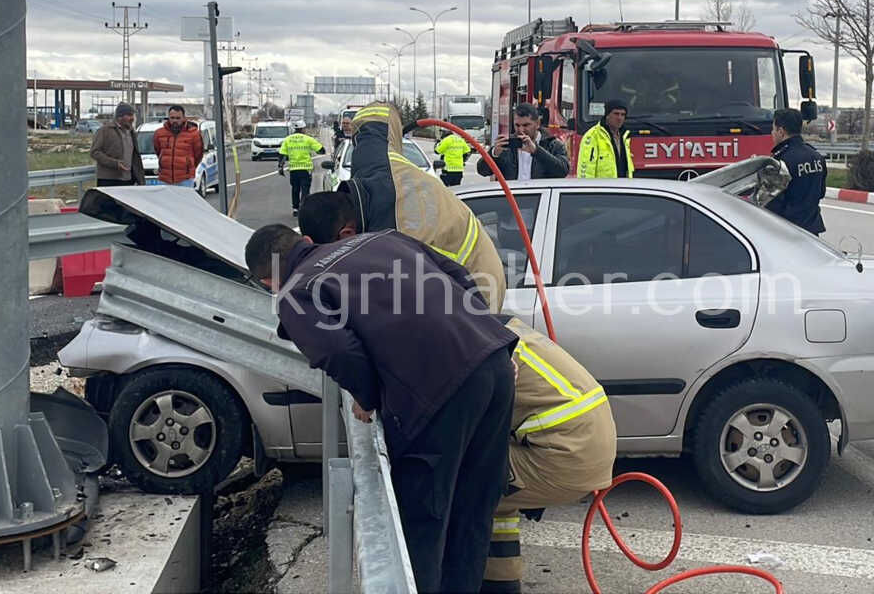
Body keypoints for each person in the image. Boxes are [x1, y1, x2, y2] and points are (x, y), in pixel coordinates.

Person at [246, 224, 516, 594]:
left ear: (267, 282)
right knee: (474, 510)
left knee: (423, 522)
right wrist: (481, 336)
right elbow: (459, 275)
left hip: (436, 392)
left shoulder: (296, 292)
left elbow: (337, 352)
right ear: (306, 241)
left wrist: (368, 395)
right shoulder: (381, 238)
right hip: (494, 363)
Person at [297, 101, 507, 311]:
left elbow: (388, 306)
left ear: (346, 234)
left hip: (476, 292)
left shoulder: (391, 224)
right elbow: (376, 127)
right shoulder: (374, 169)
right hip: (458, 275)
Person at [481, 317, 616, 593]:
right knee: (498, 502)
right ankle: (501, 583)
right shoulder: (501, 328)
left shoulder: (475, 345)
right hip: (586, 443)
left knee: (462, 484)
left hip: (564, 454)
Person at [765, 107, 827, 234]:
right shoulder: (816, 156)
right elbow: (821, 192)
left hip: (787, 232)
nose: (772, 133)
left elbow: (770, 203)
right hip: (812, 230)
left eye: (773, 129)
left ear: (781, 131)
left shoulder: (779, 162)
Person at [479, 103, 570, 181]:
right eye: (517, 125)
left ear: (537, 123)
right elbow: (482, 171)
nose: (521, 130)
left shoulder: (552, 145)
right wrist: (494, 154)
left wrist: (536, 151)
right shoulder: (507, 145)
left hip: (540, 197)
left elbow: (562, 171)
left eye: (526, 125)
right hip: (511, 197)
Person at [90, 102, 145, 187]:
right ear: (119, 117)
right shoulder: (105, 131)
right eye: (129, 115)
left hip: (128, 180)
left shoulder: (131, 132)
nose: (132, 118)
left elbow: (135, 156)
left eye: (133, 115)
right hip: (109, 180)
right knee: (108, 201)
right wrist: (114, 163)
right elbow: (94, 152)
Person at [576, 99, 633, 179]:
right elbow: (586, 169)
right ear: (607, 115)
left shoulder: (624, 137)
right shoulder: (593, 136)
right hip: (602, 189)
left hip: (622, 187)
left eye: (623, 115)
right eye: (616, 114)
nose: (620, 118)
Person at [278, 121, 324, 216]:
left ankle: (295, 209)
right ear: (303, 128)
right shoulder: (308, 139)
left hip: (294, 169)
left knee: (295, 189)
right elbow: (321, 150)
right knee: (305, 189)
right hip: (305, 169)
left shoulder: (288, 139)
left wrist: (280, 167)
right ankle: (303, 208)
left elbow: (282, 155)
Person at [152, 105, 203, 188]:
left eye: (178, 118)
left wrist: (188, 165)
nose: (175, 120)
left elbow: (198, 154)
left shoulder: (194, 134)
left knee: (184, 201)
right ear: (168, 117)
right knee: (165, 201)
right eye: (172, 118)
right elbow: (158, 150)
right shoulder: (159, 133)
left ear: (183, 118)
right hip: (165, 178)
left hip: (185, 178)